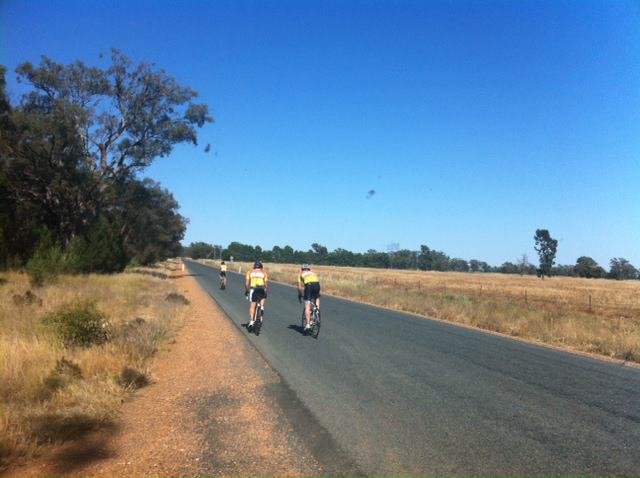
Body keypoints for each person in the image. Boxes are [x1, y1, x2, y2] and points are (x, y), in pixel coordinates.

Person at [245, 261, 268, 328]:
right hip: (261, 288)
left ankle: (252, 321)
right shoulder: (264, 272)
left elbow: (247, 283)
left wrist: (247, 291)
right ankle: (262, 306)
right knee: (263, 297)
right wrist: (266, 291)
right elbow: (266, 284)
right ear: (261, 267)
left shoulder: (250, 272)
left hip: (253, 289)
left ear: (254, 266)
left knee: (252, 306)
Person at [298, 264, 320, 330]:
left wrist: (300, 294)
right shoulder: (313, 273)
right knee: (317, 297)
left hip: (309, 285)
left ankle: (308, 324)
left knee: (307, 305)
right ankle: (317, 311)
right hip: (317, 284)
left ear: (302, 269)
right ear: (309, 269)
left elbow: (299, 287)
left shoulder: (301, 274)